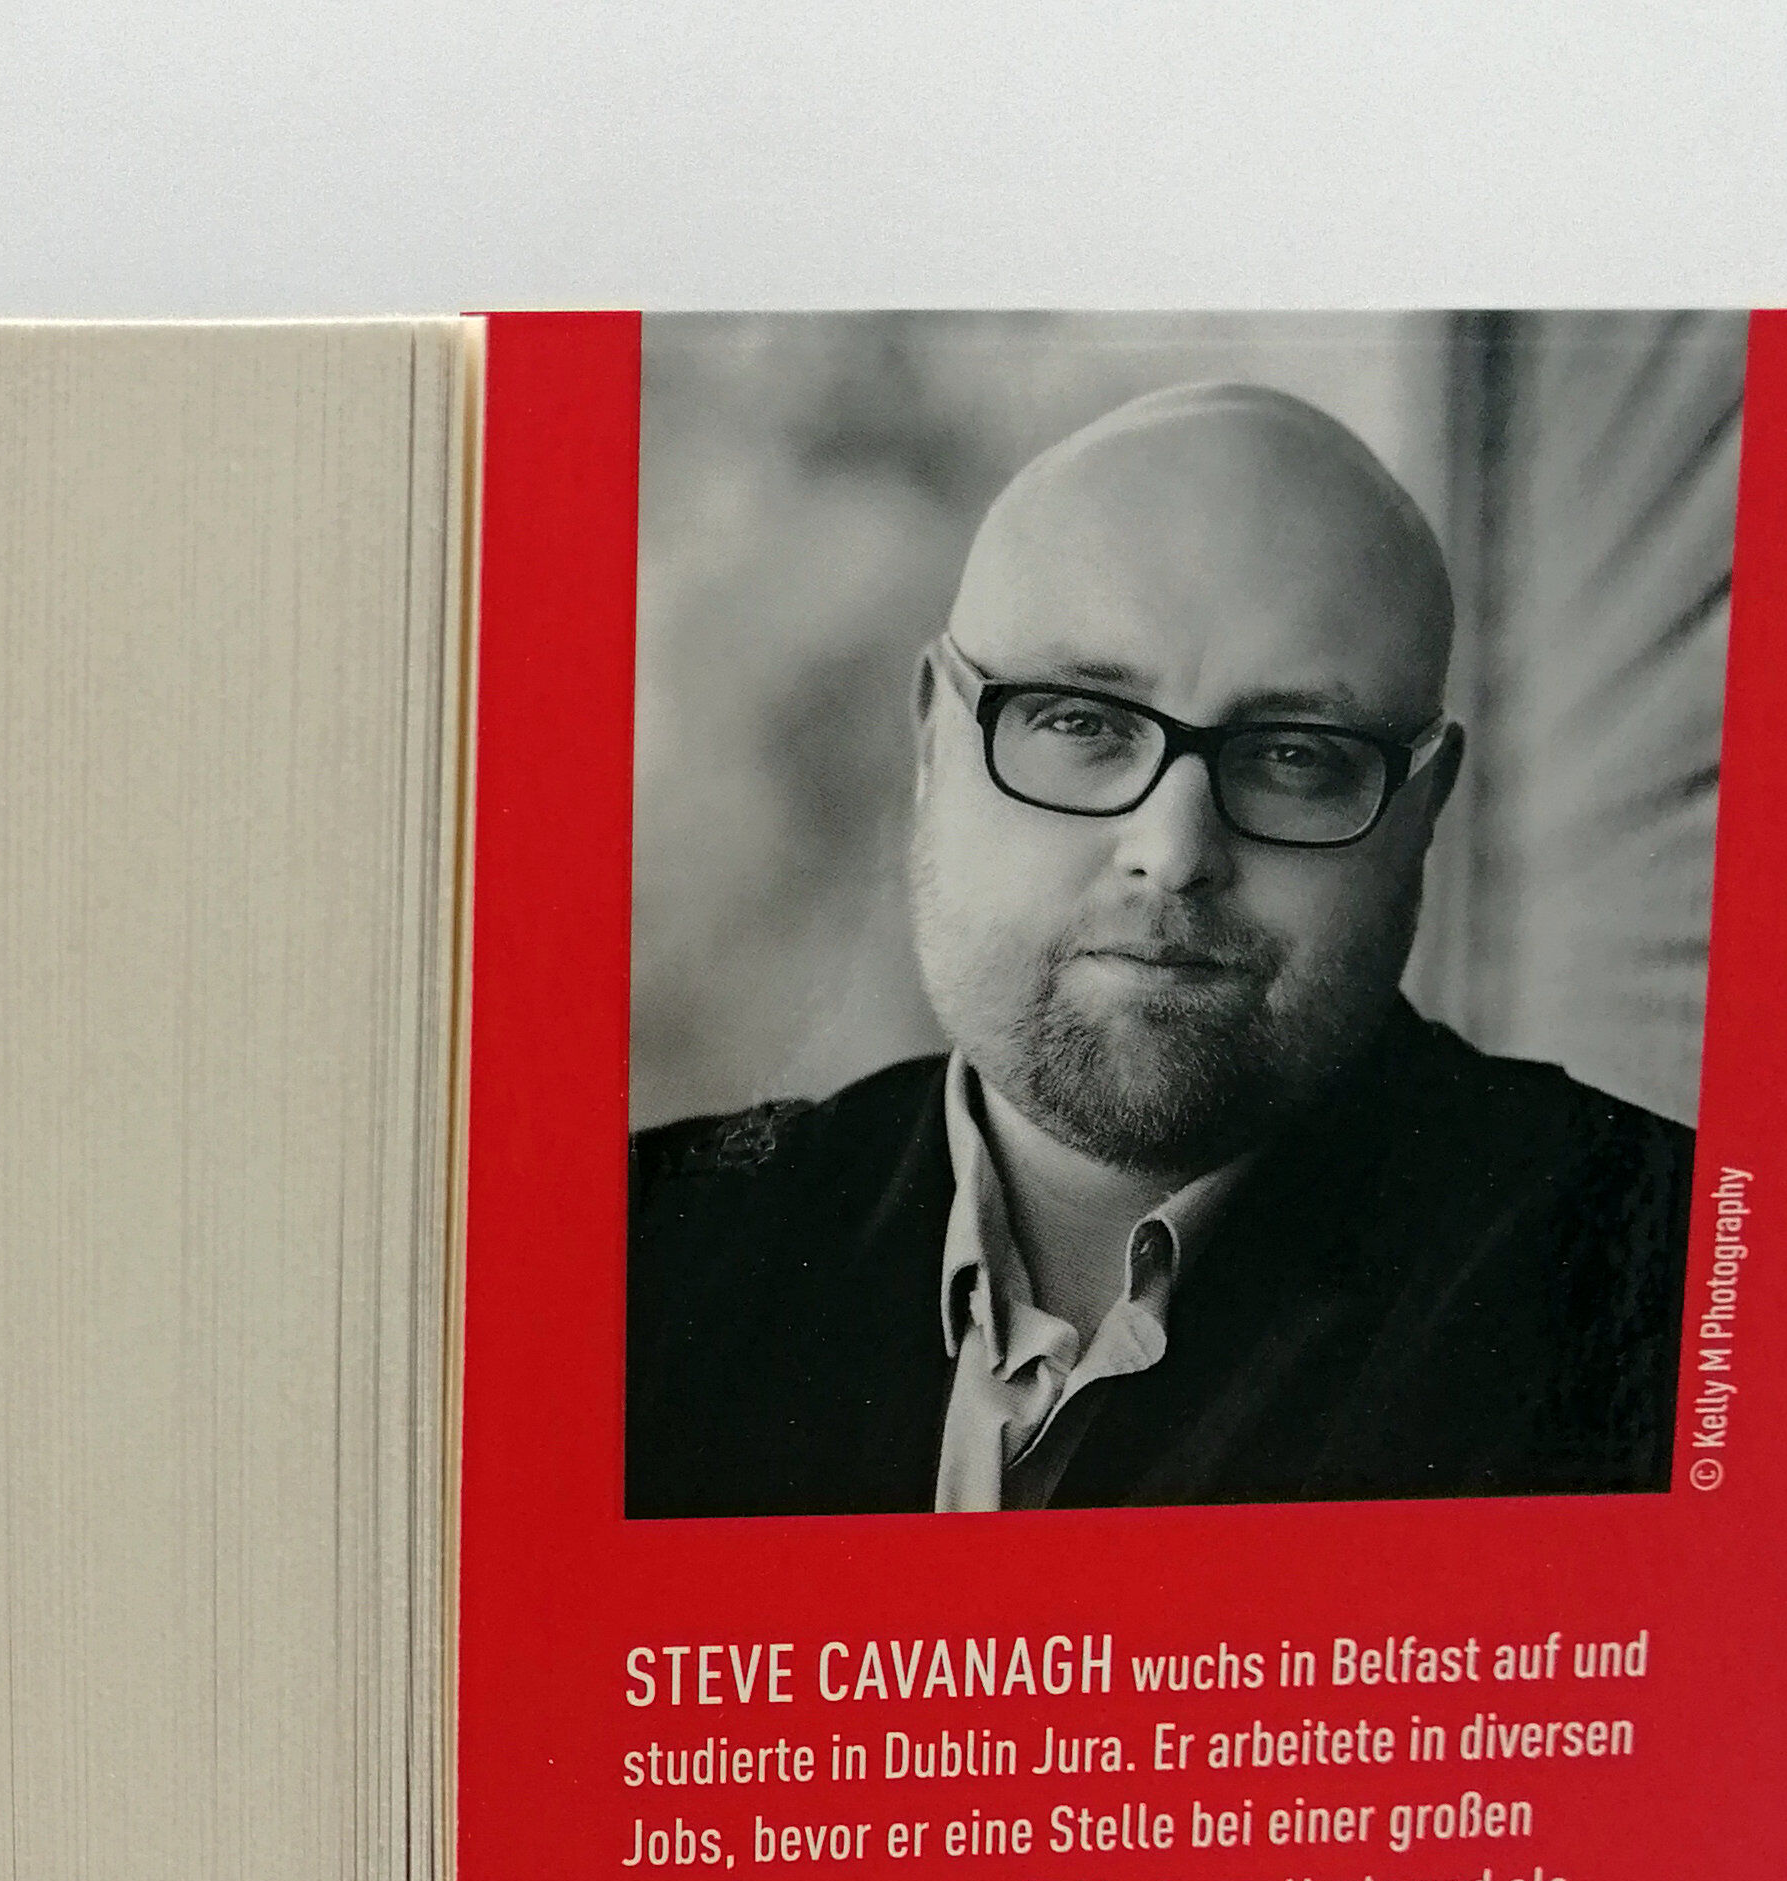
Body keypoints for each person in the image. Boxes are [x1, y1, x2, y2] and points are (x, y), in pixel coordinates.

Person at [625, 382, 1693, 1517]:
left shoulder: (1659, 1295)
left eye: (1294, 754)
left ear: (1423, 807)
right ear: (935, 738)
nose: (1175, 852)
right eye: (1081, 722)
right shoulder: (630, 1257)